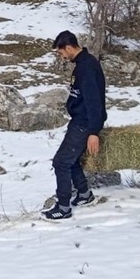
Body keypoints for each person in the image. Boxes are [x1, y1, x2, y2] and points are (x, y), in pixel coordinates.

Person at [43, 31, 107, 220]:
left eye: (60, 52)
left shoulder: (86, 68)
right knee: (71, 161)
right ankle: (84, 194)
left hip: (84, 122)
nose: (61, 57)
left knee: (61, 162)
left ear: (69, 48)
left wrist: (94, 132)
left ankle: (63, 207)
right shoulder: (82, 64)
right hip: (80, 120)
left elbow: (94, 101)